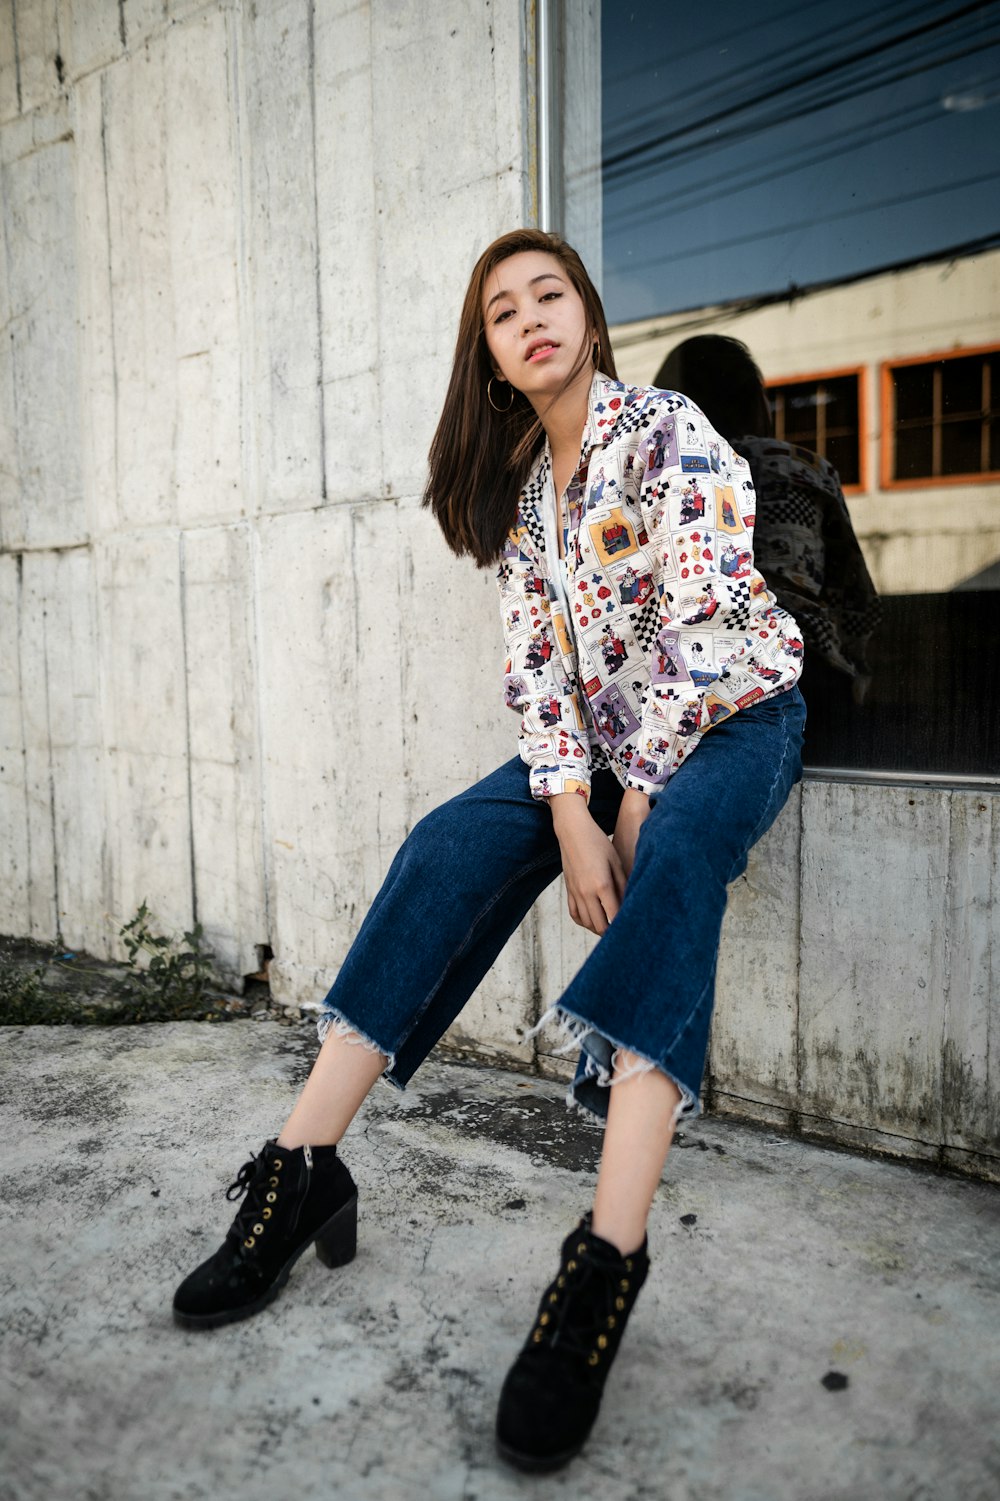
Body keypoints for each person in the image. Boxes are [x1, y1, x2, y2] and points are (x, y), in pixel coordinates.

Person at [172, 230, 807, 1474]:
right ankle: (303, 1170)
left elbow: (702, 629)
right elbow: (540, 677)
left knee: (673, 855)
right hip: (611, 741)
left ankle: (602, 1265)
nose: (529, 319)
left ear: (587, 314)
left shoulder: (664, 428)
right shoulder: (529, 497)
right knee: (452, 841)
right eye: (502, 312)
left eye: (548, 295)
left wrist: (633, 804)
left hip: (732, 713)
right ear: (493, 361)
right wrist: (571, 811)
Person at [653, 336, 881, 726]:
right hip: (805, 663)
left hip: (691, 674)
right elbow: (855, 598)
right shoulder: (804, 468)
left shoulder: (659, 475)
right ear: (756, 403)